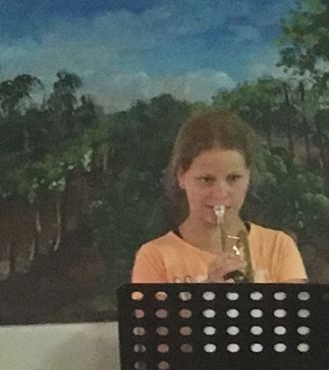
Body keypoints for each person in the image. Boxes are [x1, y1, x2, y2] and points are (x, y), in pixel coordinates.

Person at [131, 109, 307, 284]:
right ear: (181, 176)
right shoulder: (154, 256)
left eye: (234, 178)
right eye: (206, 179)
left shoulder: (278, 246)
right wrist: (210, 289)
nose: (220, 193)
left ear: (248, 176)